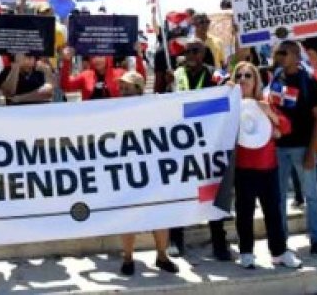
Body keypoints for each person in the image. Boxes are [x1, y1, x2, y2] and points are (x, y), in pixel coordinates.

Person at [231, 62, 302, 269]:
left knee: (273, 211)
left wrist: (269, 114)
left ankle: (279, 252)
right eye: (239, 76)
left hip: (268, 166)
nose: (243, 79)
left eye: (248, 75)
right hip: (243, 168)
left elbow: (286, 127)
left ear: (256, 80)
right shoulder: (229, 103)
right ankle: (246, 252)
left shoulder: (267, 101)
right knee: (244, 212)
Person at [168, 38, 230, 260]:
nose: (191, 55)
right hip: (183, 145)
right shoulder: (175, 75)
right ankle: (175, 240)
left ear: (203, 54)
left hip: (210, 143)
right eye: (187, 52)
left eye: (195, 51)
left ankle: (219, 243)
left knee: (212, 194)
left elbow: (225, 100)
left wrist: (193, 110)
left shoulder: (216, 75)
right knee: (181, 192)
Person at [115, 71, 179, 276]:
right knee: (128, 217)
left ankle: (162, 256)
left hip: (152, 171)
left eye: (128, 87)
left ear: (139, 89)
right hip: (127, 171)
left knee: (160, 216)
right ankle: (128, 258)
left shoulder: (154, 107)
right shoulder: (111, 110)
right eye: (121, 87)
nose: (122, 90)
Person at [268, 40, 317, 256]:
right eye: (276, 53)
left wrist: (312, 151)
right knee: (278, 196)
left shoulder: (309, 81)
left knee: (311, 195)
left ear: (295, 54)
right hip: (279, 148)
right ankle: (281, 240)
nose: (279, 56)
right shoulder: (275, 77)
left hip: (303, 147)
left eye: (282, 53)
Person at [59, 47, 144, 100]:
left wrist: (139, 56)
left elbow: (140, 80)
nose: (96, 60)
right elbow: (66, 86)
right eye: (93, 57)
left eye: (100, 56)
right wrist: (66, 61)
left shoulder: (120, 73)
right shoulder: (85, 75)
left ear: (108, 57)